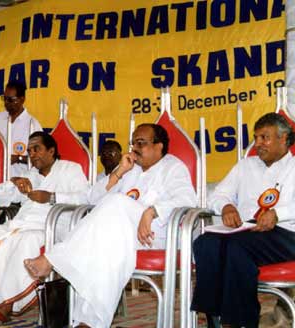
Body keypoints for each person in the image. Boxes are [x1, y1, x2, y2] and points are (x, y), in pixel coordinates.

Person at [25, 123, 198, 328]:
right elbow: (92, 198)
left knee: (116, 202)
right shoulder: (130, 169)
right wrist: (119, 172)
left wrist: (151, 211)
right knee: (107, 250)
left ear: (159, 146)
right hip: (123, 237)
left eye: (141, 143)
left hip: (156, 236)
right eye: (133, 143)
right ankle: (87, 323)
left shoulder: (172, 167)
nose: (134, 148)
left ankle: (53, 258)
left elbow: (187, 200)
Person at [0, 131, 89, 325]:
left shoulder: (70, 169)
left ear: (51, 151)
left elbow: (85, 198)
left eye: (37, 149)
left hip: (50, 229)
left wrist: (52, 197)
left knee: (25, 241)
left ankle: (6, 306)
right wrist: (14, 183)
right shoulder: (29, 175)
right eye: (29, 151)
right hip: (18, 225)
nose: (32, 155)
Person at [190, 113, 295, 328]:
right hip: (246, 230)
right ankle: (214, 318)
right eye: (256, 138)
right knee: (204, 242)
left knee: (236, 249)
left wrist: (278, 213)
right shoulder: (245, 166)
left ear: (284, 139)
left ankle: (241, 322)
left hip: (287, 233)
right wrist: (226, 206)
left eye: (264, 137)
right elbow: (217, 196)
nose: (258, 144)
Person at [0, 80, 42, 177]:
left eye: (11, 99)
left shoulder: (33, 125)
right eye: (5, 98)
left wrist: (18, 158)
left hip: (21, 183)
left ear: (22, 99)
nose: (6, 103)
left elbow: (41, 157)